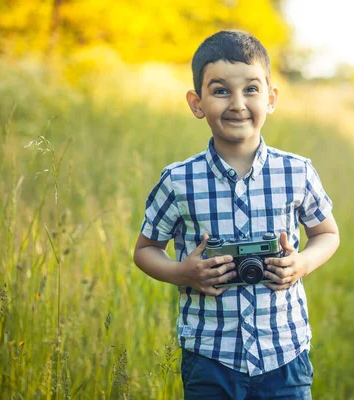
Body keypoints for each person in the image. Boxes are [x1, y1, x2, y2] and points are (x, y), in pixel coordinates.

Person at [133, 30, 340, 400]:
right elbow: (145, 249)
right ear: (197, 103)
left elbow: (327, 234)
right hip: (210, 357)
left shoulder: (296, 171)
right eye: (221, 90)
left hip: (284, 353)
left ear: (271, 98)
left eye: (251, 89)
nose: (238, 103)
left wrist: (302, 264)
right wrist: (182, 273)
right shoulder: (179, 180)